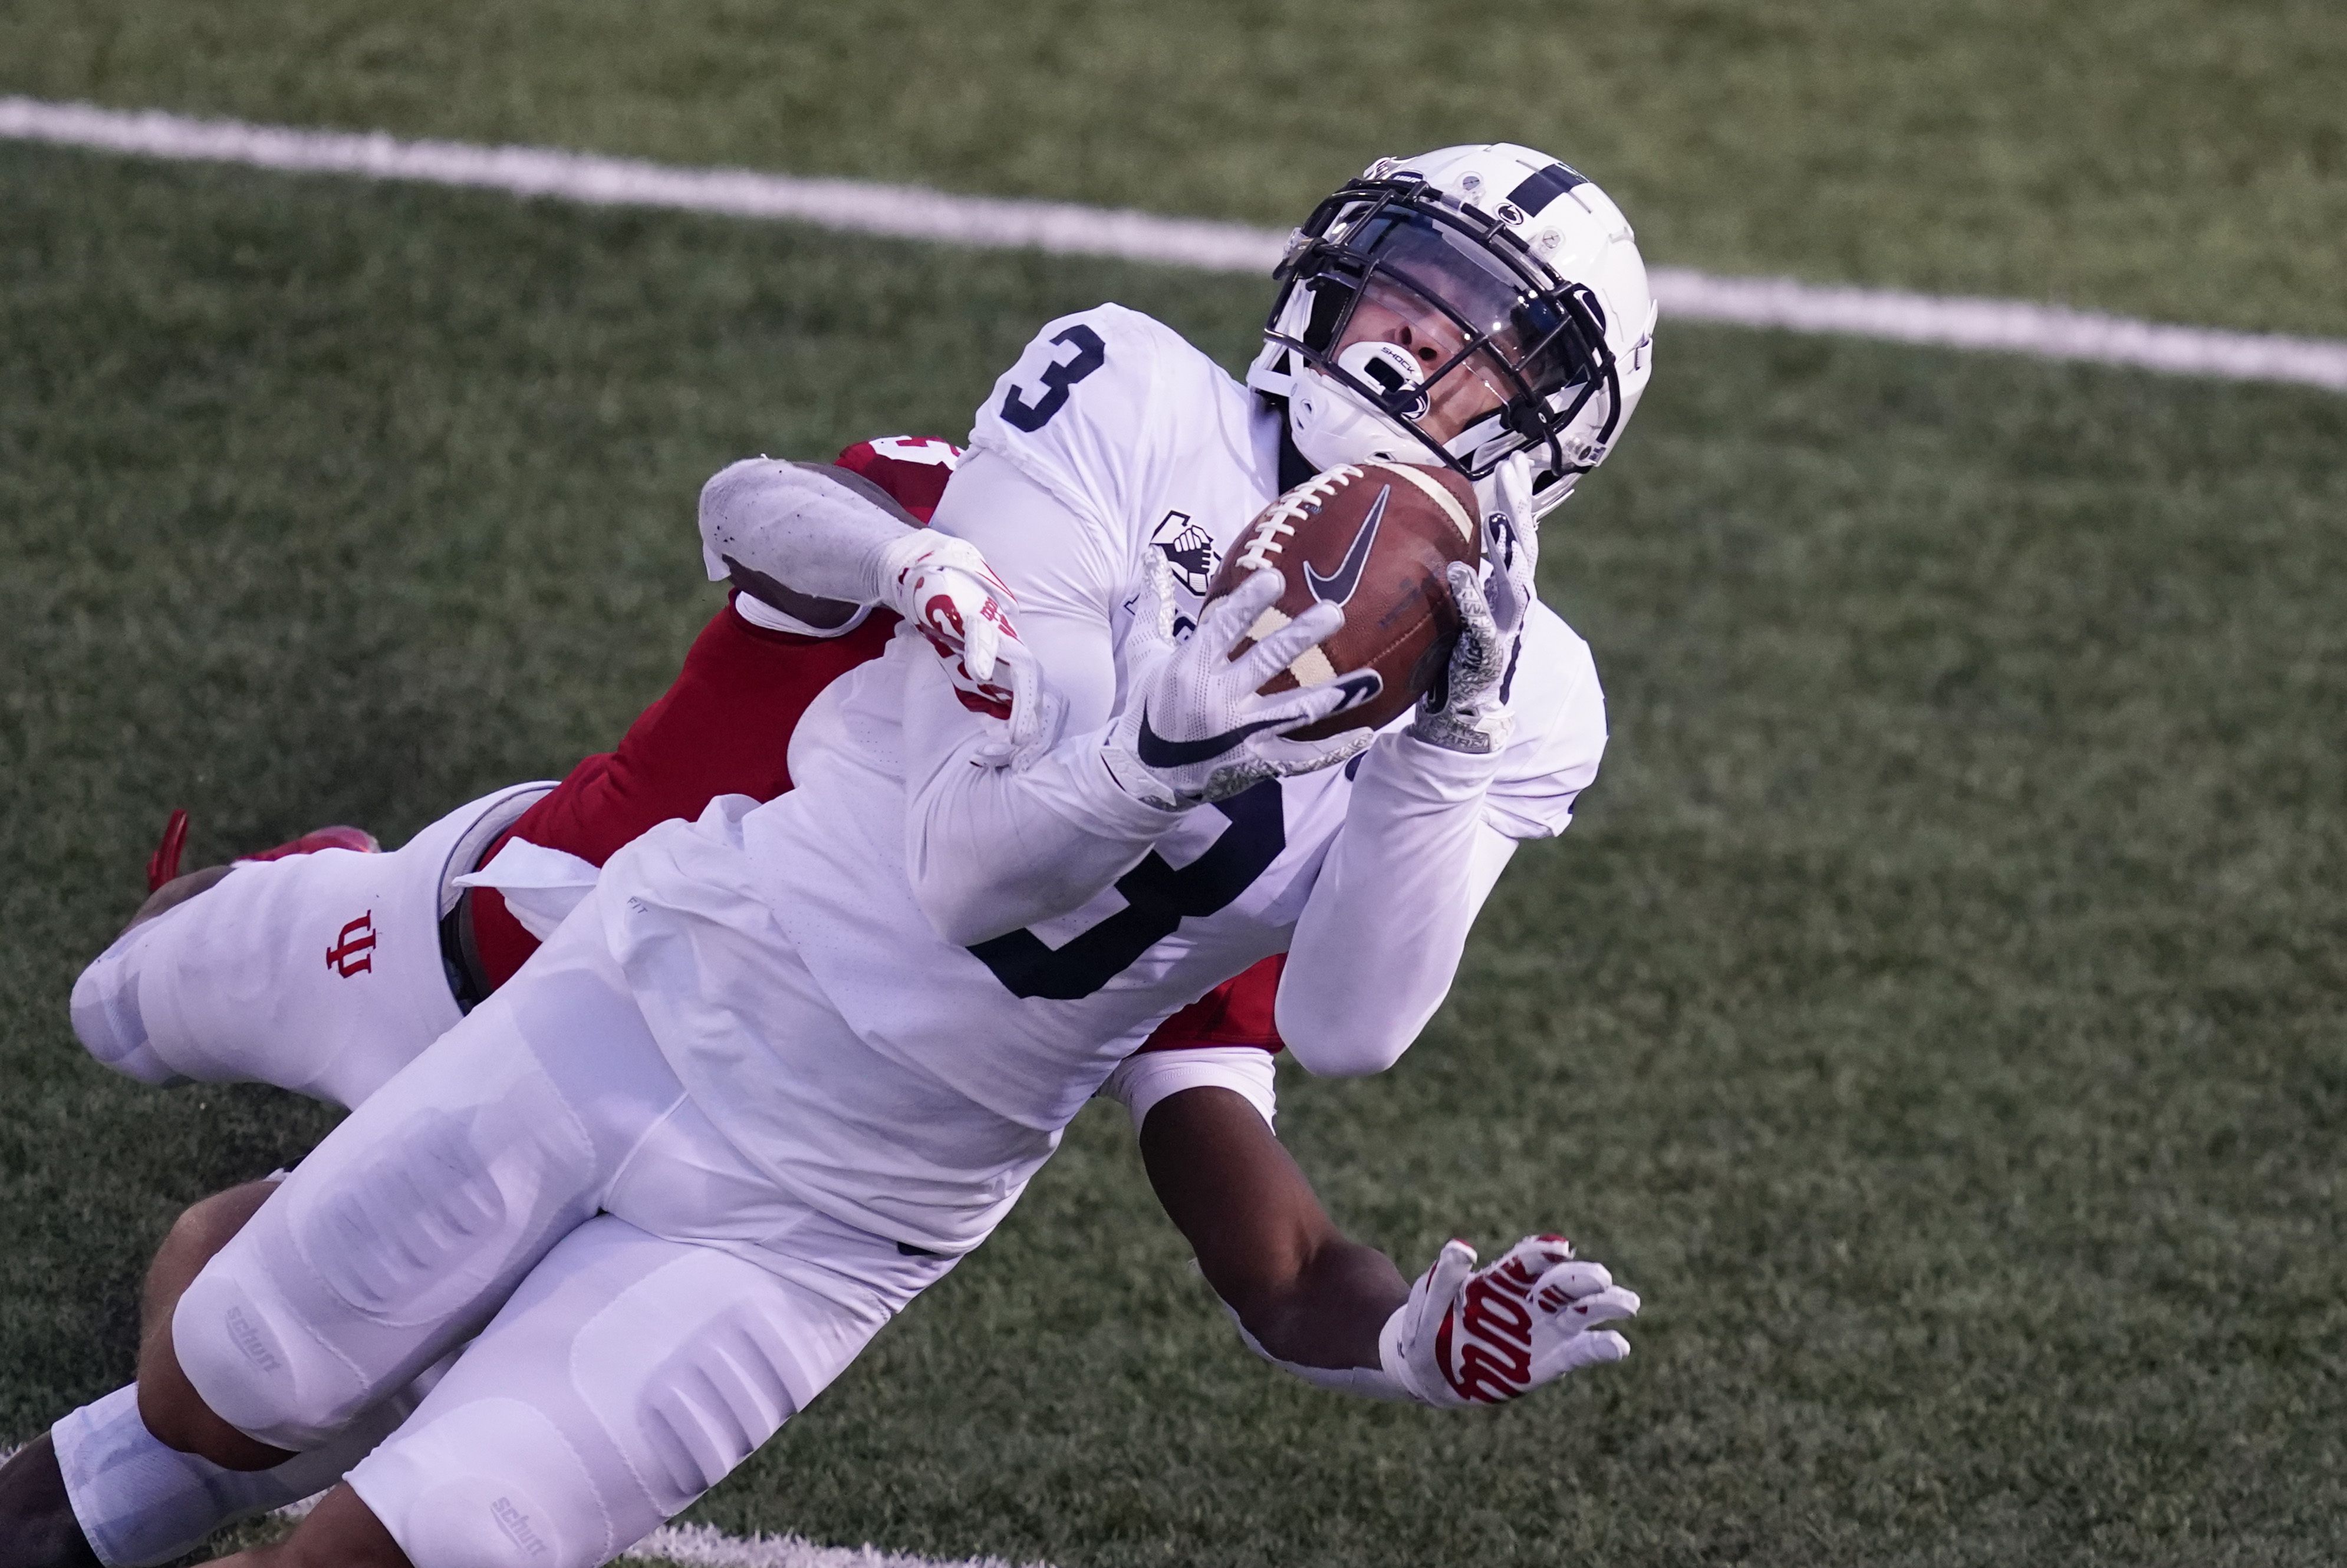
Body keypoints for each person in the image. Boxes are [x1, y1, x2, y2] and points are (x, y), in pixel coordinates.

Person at [98, 143, 1654, 1568]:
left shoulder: (1532, 693)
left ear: (1544, 426)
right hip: (641, 968)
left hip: (847, 1202)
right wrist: (1122, 729)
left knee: (411, 1543)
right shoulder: (1128, 394)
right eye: (1401, 280)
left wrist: (1441, 751)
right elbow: (966, 861)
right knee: (215, 1380)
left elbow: (1346, 1030)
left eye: (1472, 337)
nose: (1402, 338)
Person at [1, 438, 1315, 1568]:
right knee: (118, 1011)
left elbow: (1231, 1140)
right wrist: (909, 566)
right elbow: (752, 505)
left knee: (304, 1401)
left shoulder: (1246, 830)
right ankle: (295, 903)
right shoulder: (1006, 512)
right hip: (476, 933)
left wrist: (1396, 1331)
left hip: (726, 1111)